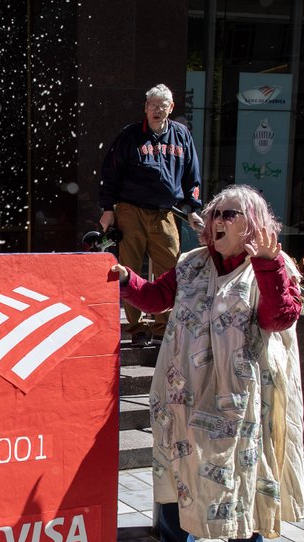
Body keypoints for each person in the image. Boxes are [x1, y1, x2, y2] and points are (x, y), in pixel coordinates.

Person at [109, 185, 304, 542]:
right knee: (178, 464)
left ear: (253, 222)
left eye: (231, 214)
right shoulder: (192, 264)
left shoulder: (271, 265)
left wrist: (268, 265)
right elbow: (157, 298)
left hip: (240, 393)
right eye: (216, 212)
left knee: (241, 470)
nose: (218, 220)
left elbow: (279, 318)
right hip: (184, 389)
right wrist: (127, 279)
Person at [100, 83, 204, 346]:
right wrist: (107, 210)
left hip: (166, 213)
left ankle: (163, 326)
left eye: (163, 106)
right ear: (145, 108)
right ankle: (135, 327)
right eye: (153, 105)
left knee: (169, 268)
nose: (157, 110)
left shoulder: (181, 136)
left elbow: (193, 176)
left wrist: (192, 208)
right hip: (130, 210)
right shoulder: (130, 135)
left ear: (172, 108)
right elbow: (111, 172)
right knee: (130, 267)